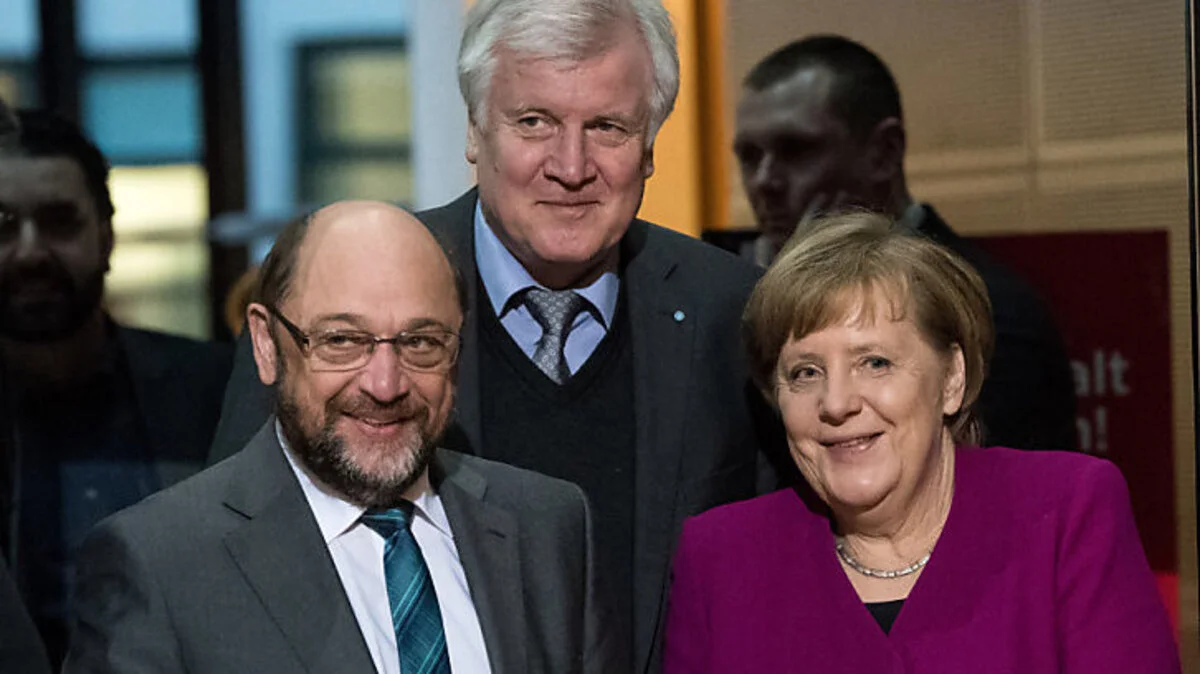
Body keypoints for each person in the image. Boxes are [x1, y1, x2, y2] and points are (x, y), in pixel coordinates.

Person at [208, 2, 788, 670]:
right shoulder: (341, 299)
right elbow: (234, 554)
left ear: (650, 147)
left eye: (607, 127)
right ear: (474, 132)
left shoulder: (731, 312)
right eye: (534, 122)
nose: (571, 166)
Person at [65, 201, 618, 674]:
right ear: (266, 344)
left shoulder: (548, 526)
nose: (385, 384)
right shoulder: (161, 562)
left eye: (421, 342)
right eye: (342, 341)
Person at [663, 212, 1179, 673]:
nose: (836, 403)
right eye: (806, 372)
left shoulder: (1065, 515)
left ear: (952, 379)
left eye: (875, 363)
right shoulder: (721, 561)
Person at [732, 34, 1076, 451]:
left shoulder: (989, 306)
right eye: (749, 156)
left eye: (796, 150)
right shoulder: (738, 291)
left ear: (883, 151)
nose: (765, 180)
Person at [0, 108, 232, 665]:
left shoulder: (214, 388)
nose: (30, 251)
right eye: (3, 225)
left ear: (106, 235)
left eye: (60, 222)